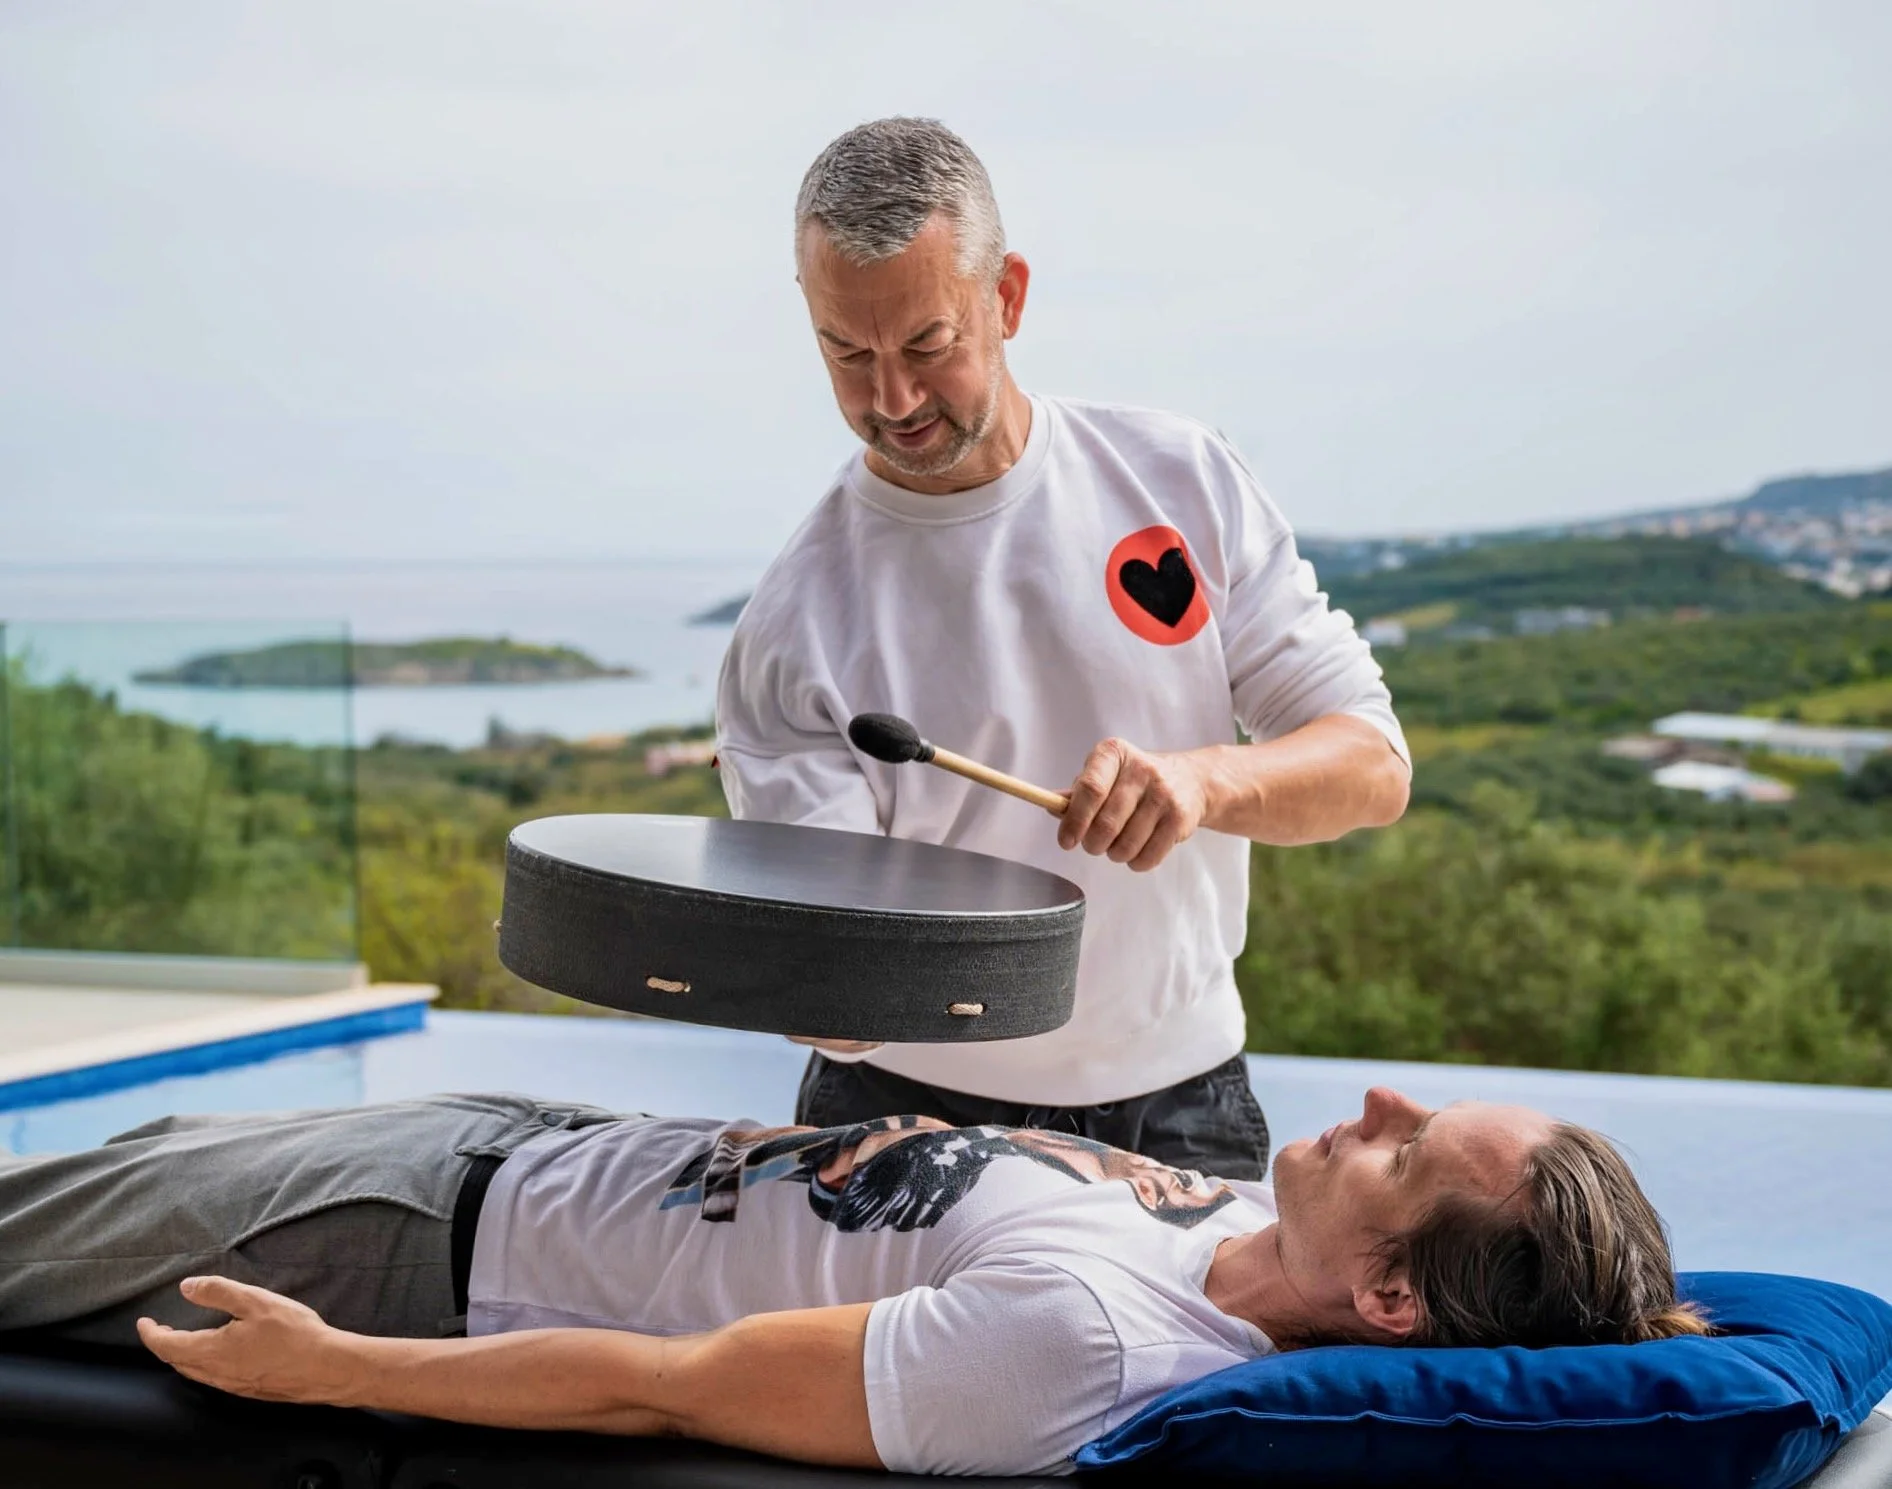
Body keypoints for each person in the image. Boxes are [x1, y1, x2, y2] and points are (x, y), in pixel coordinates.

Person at [717, 117, 1413, 1178]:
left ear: (1006, 297)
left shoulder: (1179, 478)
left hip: (1185, 1101)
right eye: (846, 353)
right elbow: (838, 989)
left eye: (926, 344)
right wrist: (805, 983)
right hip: (904, 1109)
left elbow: (1371, 766)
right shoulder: (791, 622)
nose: (891, 398)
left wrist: (1204, 782)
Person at [0, 1087, 1707, 1477]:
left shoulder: (1080, 1342)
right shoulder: (1227, 1222)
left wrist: (337, 1366)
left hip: (410, 1242)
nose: (1383, 1102)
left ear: (1395, 1298)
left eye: (1411, 1149)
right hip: (519, 1139)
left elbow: (664, 1388)